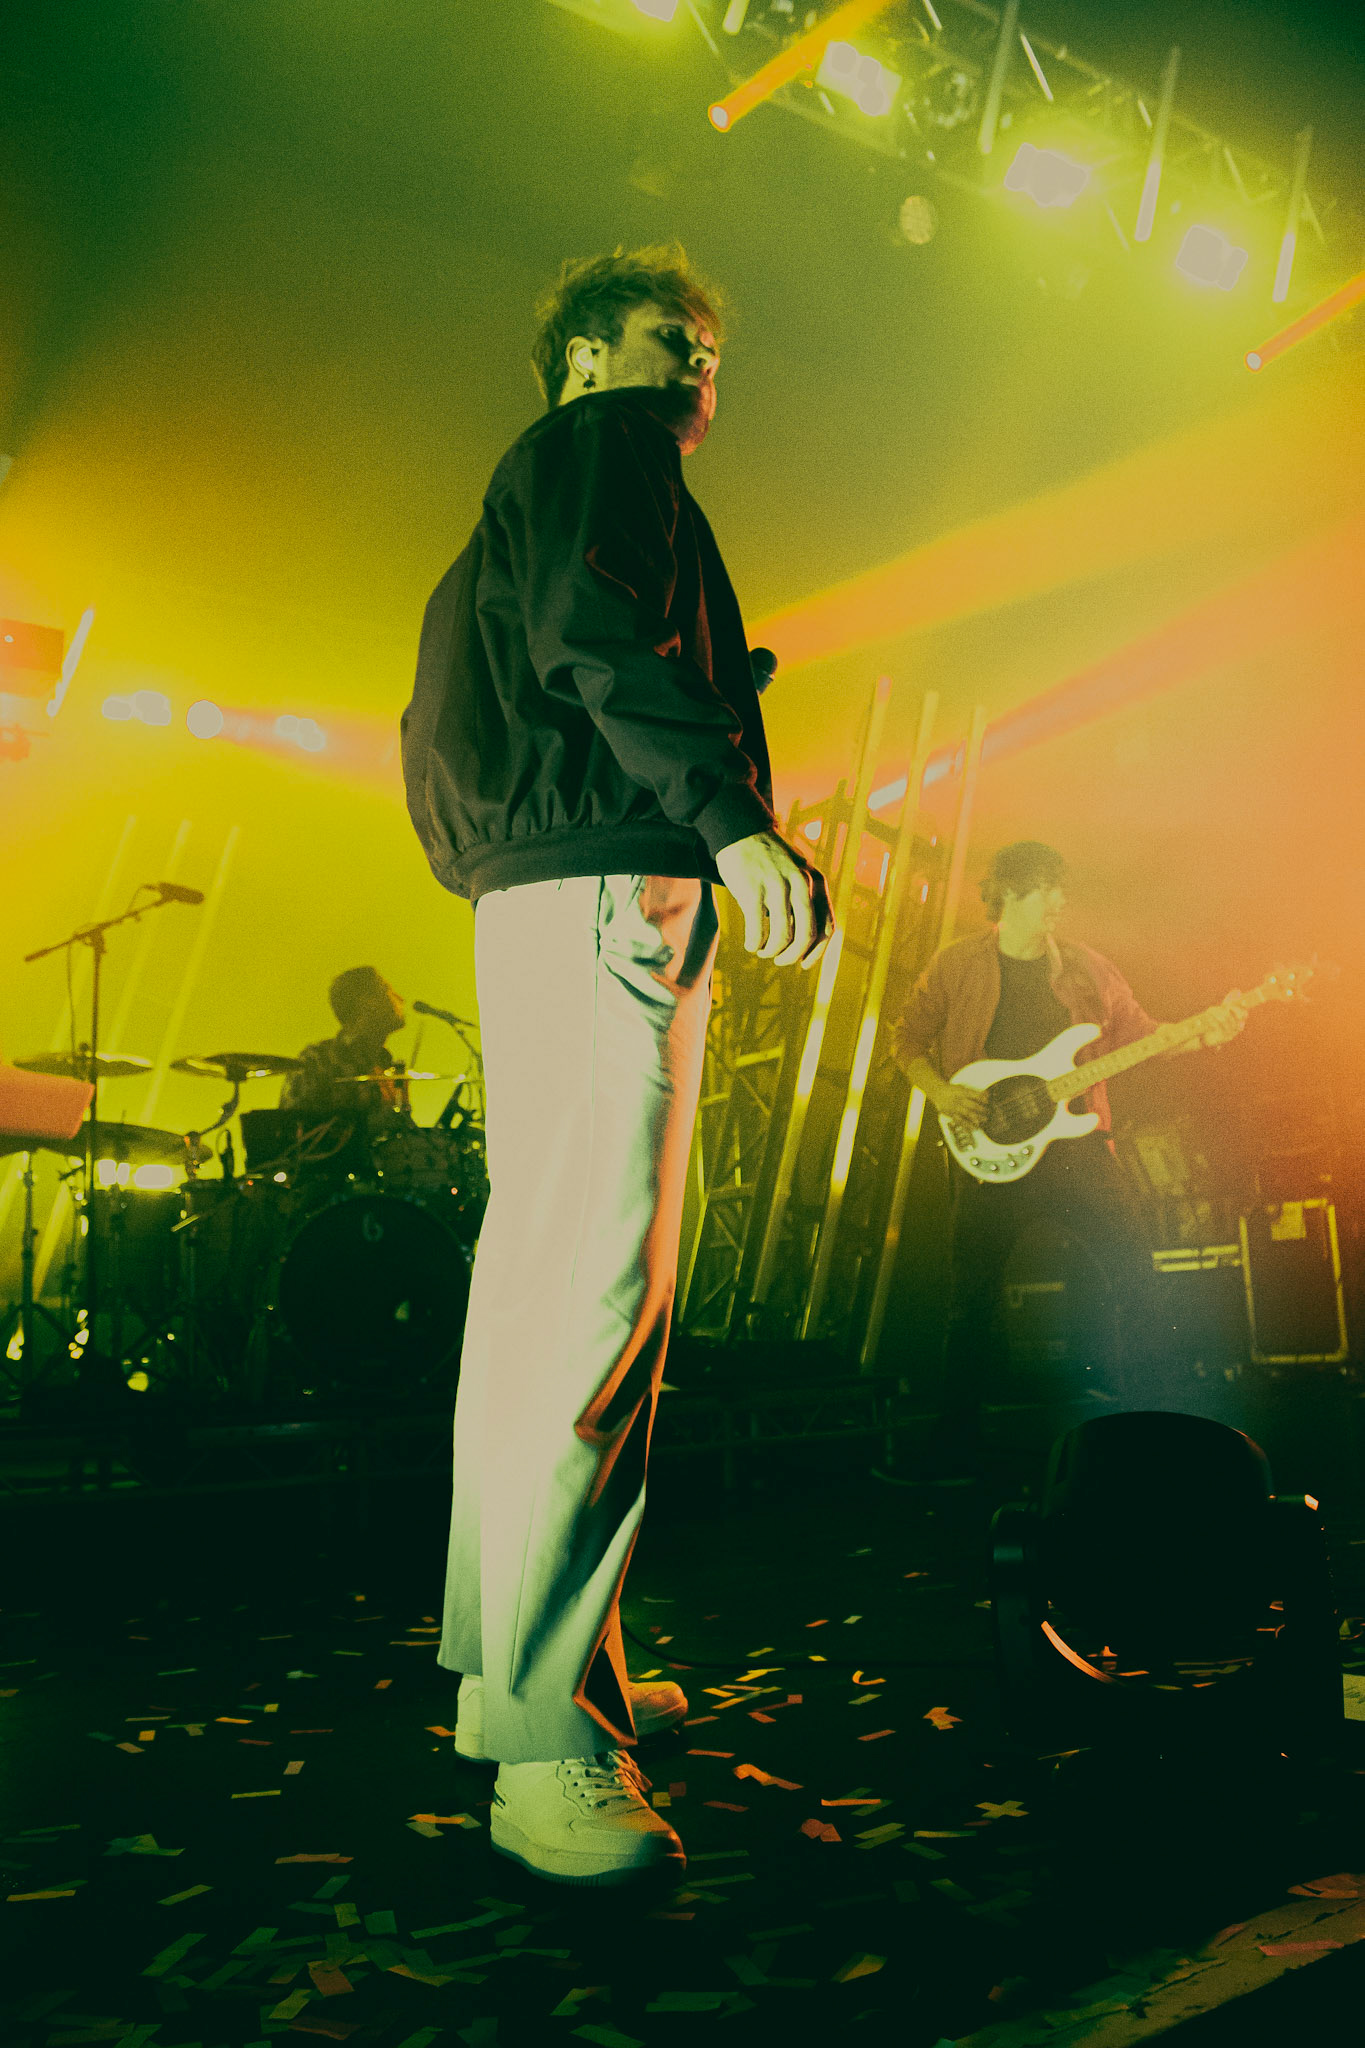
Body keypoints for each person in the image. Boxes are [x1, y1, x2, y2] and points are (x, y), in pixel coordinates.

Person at [401, 243, 833, 1886]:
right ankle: (546, 1750)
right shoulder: (601, 448)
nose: (701, 367)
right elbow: (596, 635)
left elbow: (469, 707)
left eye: (711, 349)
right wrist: (726, 811)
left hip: (543, 894)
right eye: (673, 337)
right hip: (602, 893)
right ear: (586, 352)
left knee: (539, 1315)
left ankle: (526, 1674)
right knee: (591, 1311)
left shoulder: (521, 490)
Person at [892, 841, 1247, 1484]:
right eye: (1046, 889)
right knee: (969, 1304)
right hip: (990, 1154)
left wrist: (1204, 1032)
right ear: (1010, 893)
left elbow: (1142, 1037)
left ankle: (1150, 1429)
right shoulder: (957, 964)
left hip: (1079, 1148)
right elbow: (907, 1038)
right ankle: (953, 1448)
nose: (1060, 900)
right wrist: (941, 1092)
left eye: (1061, 888)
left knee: (1134, 1272)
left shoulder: (1087, 969)